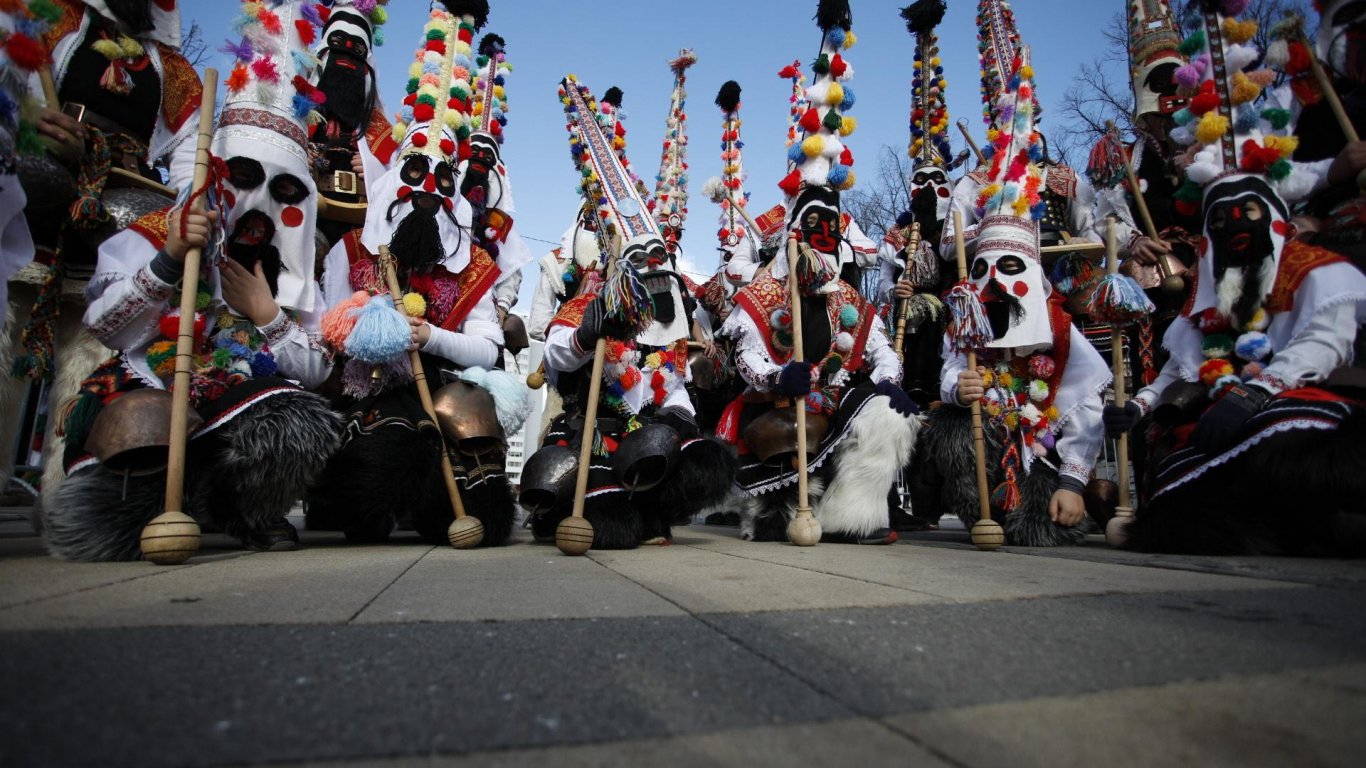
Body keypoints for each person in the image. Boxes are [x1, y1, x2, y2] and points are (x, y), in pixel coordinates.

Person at [39, 0, 342, 561]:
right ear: (220, 175)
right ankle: (128, 506)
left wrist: (267, 314)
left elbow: (318, 367)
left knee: (293, 414)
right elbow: (105, 324)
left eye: (287, 192)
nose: (261, 204)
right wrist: (171, 259)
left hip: (235, 397)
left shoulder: (296, 271)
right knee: (140, 432)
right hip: (149, 384)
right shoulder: (162, 228)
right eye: (246, 178)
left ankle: (245, 510)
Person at [1106, 1, 1366, 556]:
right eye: (1219, 220)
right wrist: (1144, 404)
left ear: (1274, 217)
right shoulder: (1213, 292)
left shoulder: (1312, 272)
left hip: (1293, 397)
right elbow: (1184, 362)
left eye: (1247, 214)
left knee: (1291, 443)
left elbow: (1324, 338)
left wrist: (1257, 392)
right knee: (1177, 477)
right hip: (1224, 402)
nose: (1234, 228)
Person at [310, 1, 524, 546]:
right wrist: (367, 327)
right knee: (384, 449)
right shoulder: (354, 249)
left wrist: (429, 335)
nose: (427, 190)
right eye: (414, 172)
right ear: (394, 176)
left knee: (472, 437)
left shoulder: (474, 265)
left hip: (447, 386)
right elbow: (323, 330)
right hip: (371, 388)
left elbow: (488, 347)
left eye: (441, 180)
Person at [723, 2, 920, 545]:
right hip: (780, 409)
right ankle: (771, 507)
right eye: (809, 227)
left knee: (886, 416)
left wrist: (887, 386)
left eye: (828, 230)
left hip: (832, 403)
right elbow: (747, 354)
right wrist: (773, 377)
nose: (820, 240)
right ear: (790, 233)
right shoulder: (764, 292)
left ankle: (852, 516)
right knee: (788, 430)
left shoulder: (847, 298)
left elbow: (883, 352)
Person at [519, 75, 735, 549]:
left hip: (650, 433)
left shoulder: (671, 318)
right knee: (604, 513)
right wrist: (586, 335)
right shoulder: (593, 295)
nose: (652, 270)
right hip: (596, 426)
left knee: (696, 455)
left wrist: (682, 422)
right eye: (640, 261)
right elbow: (556, 354)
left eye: (658, 259)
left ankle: (654, 505)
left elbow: (672, 384)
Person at [917, 46, 1111, 547]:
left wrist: (1071, 481)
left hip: (1042, 447)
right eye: (984, 271)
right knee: (953, 429)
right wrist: (956, 389)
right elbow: (949, 366)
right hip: (991, 434)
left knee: (1050, 518)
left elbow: (1085, 405)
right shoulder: (970, 318)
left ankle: (1077, 498)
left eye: (1008, 270)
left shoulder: (1058, 330)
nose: (996, 283)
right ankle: (982, 508)